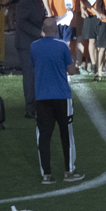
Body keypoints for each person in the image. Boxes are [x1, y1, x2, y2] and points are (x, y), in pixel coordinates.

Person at [31, 18, 84, 185]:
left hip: (42, 97)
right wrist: (76, 69)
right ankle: (69, 171)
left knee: (44, 136)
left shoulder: (34, 47)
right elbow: (70, 69)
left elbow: (35, 65)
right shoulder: (62, 46)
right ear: (57, 30)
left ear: (42, 31)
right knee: (66, 134)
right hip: (62, 96)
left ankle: (46, 174)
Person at [15, 0, 49, 118]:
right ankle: (30, 108)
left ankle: (35, 106)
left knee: (35, 75)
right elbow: (21, 23)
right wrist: (39, 32)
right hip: (26, 45)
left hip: (33, 44)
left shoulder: (35, 1)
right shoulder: (25, 1)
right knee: (30, 76)